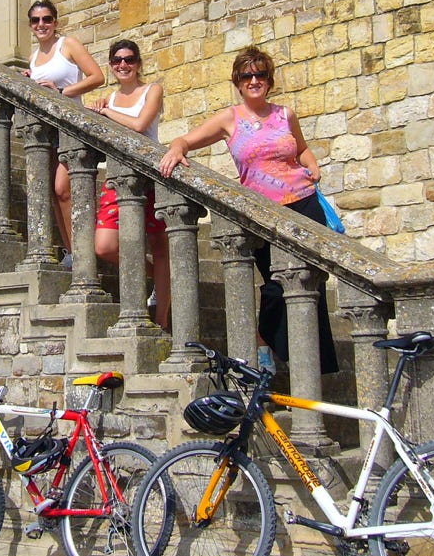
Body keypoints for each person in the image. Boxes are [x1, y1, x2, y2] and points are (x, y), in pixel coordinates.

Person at [159, 45, 338, 374]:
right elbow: (186, 140)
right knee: (274, 284)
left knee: (312, 283)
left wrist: (313, 166)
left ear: (269, 80)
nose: (254, 80)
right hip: (262, 214)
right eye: (247, 76)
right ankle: (262, 340)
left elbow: (301, 148)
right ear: (238, 82)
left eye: (260, 74)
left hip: (304, 204)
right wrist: (177, 149)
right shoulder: (231, 118)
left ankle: (310, 362)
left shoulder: (286, 115)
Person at [89, 40, 171, 332]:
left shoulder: (152, 90)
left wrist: (107, 112)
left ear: (138, 63)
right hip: (119, 177)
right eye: (117, 61)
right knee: (104, 245)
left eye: (129, 60)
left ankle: (161, 320)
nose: (123, 65)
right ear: (111, 65)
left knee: (161, 247)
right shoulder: (108, 98)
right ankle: (156, 277)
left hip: (151, 177)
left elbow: (139, 125)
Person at [24, 0, 104, 261]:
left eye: (46, 19)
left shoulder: (67, 45)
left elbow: (96, 76)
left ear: (55, 22)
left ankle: (81, 251)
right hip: (47, 130)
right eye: (36, 20)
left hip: (70, 127)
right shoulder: (33, 58)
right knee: (52, 191)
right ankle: (71, 251)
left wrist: (62, 91)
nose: (41, 24)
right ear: (30, 25)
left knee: (62, 188)